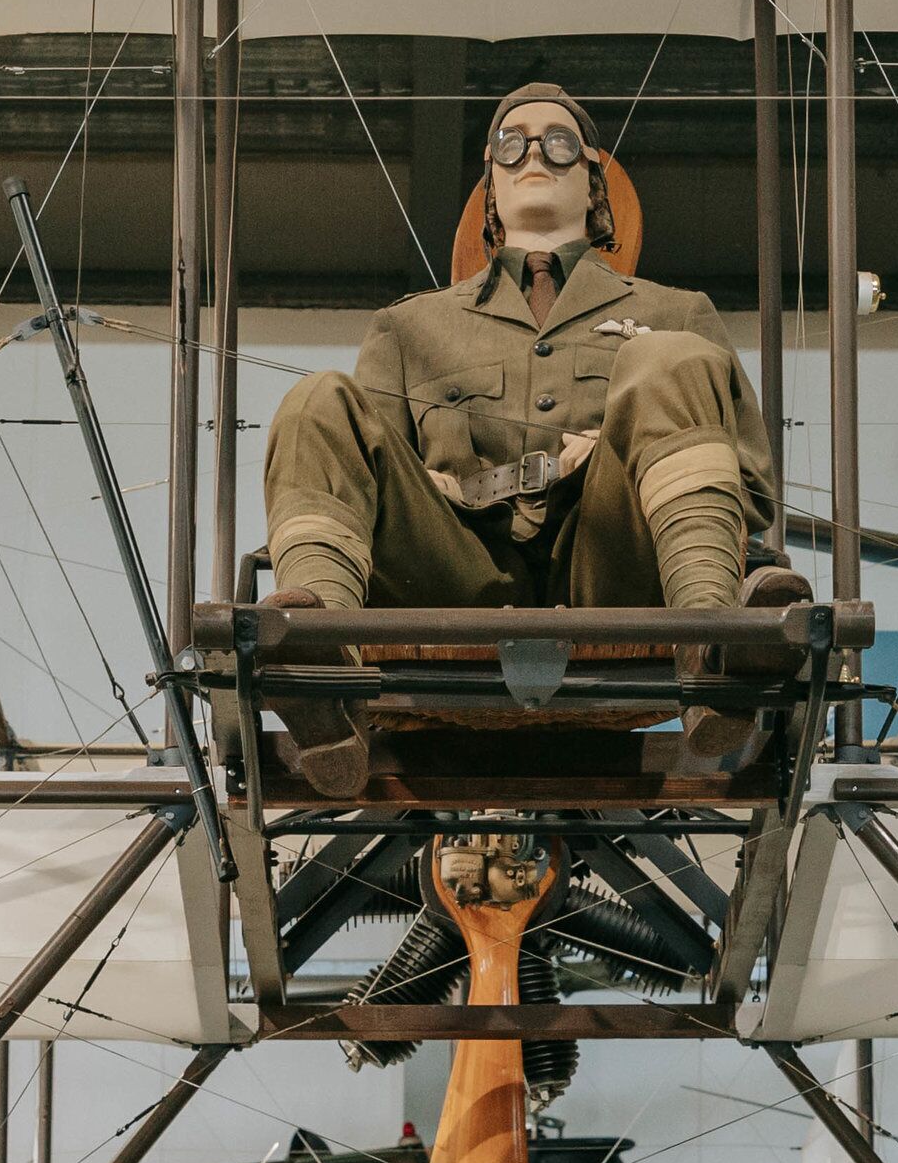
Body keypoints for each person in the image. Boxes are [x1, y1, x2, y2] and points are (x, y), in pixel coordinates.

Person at [257, 82, 806, 791]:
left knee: (666, 357)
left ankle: (711, 645)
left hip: (610, 566)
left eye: (559, 143)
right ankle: (321, 670)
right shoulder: (410, 327)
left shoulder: (676, 314)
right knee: (316, 401)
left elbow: (750, 487)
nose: (534, 156)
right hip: (451, 574)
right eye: (512, 146)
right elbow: (359, 472)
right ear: (491, 181)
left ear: (593, 180)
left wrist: (613, 447)